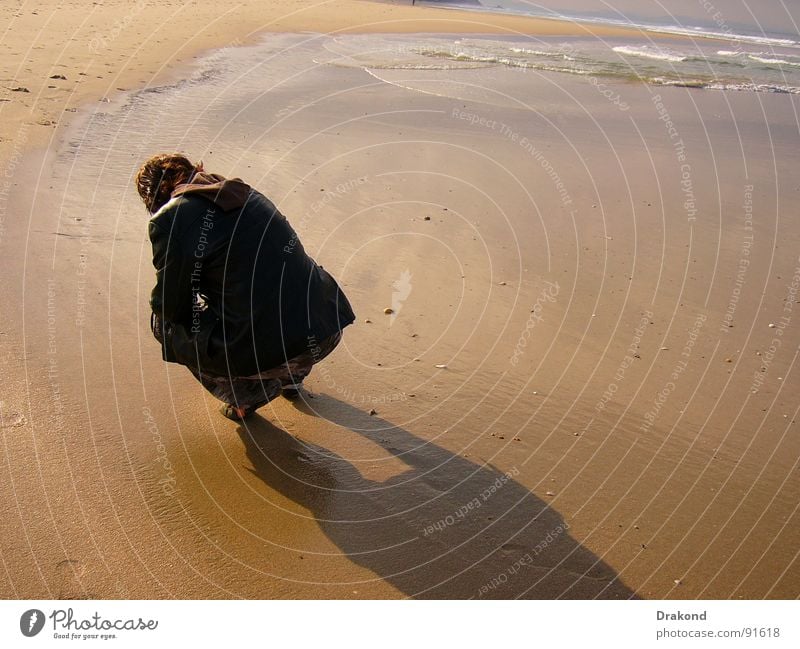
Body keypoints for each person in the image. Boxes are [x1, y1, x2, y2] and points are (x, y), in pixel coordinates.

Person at [135, 153, 355, 420]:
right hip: (325, 326)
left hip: (274, 349)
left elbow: (170, 306)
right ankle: (292, 377)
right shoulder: (244, 192)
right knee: (275, 289)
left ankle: (247, 395)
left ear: (152, 197)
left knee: (163, 323)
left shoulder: (169, 219)